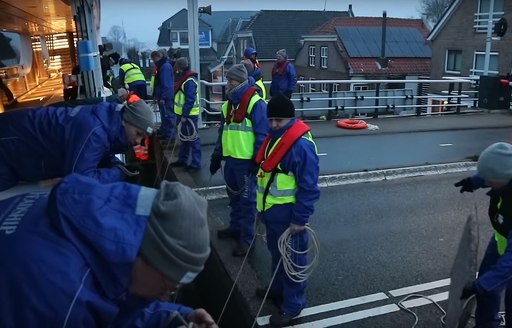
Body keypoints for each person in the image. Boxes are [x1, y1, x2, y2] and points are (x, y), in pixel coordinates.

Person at [0, 173, 217, 328]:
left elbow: (110, 303)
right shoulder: (64, 303)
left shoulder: (80, 219)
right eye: (168, 286)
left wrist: (175, 317)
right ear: (149, 257)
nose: (164, 296)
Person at [254, 93, 320, 327]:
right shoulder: (274, 139)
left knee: (293, 262)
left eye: (278, 121)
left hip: (290, 216)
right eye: (270, 120)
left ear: (290, 120)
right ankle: (277, 289)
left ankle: (293, 306)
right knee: (277, 256)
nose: (273, 125)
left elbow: (309, 186)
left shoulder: (300, 146)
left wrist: (300, 219)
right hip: (272, 213)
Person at [0, 93, 155, 192]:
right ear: (125, 121)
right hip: (10, 144)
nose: (137, 141)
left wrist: (117, 166)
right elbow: (80, 180)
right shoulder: (95, 132)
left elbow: (95, 153)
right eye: (138, 134)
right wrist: (120, 173)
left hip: (16, 145)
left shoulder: (103, 122)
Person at [210, 64, 268, 256]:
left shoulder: (255, 104)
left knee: (247, 202)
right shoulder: (228, 106)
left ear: (239, 81)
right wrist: (217, 156)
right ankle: (235, 228)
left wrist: (256, 161)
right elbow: (223, 133)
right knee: (234, 198)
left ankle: (247, 240)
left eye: (230, 80)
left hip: (246, 163)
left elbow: (262, 135)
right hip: (231, 161)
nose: (227, 84)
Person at [457, 142, 512, 328]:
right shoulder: (506, 172)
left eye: (489, 180)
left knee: (498, 288)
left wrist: (481, 285)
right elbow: (496, 169)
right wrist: (475, 181)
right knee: (486, 288)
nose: (487, 182)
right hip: (502, 240)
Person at [171, 57, 202, 172]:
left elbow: (190, 99)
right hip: (183, 115)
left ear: (179, 67)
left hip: (189, 116)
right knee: (184, 139)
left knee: (193, 139)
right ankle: (183, 160)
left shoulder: (188, 81)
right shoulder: (186, 79)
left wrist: (184, 115)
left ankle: (195, 163)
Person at [151, 50, 176, 141]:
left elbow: (166, 84)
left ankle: (170, 135)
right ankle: (166, 133)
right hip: (163, 95)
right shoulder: (164, 66)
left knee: (168, 115)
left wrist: (163, 97)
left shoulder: (164, 67)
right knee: (165, 115)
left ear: (157, 57)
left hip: (165, 96)